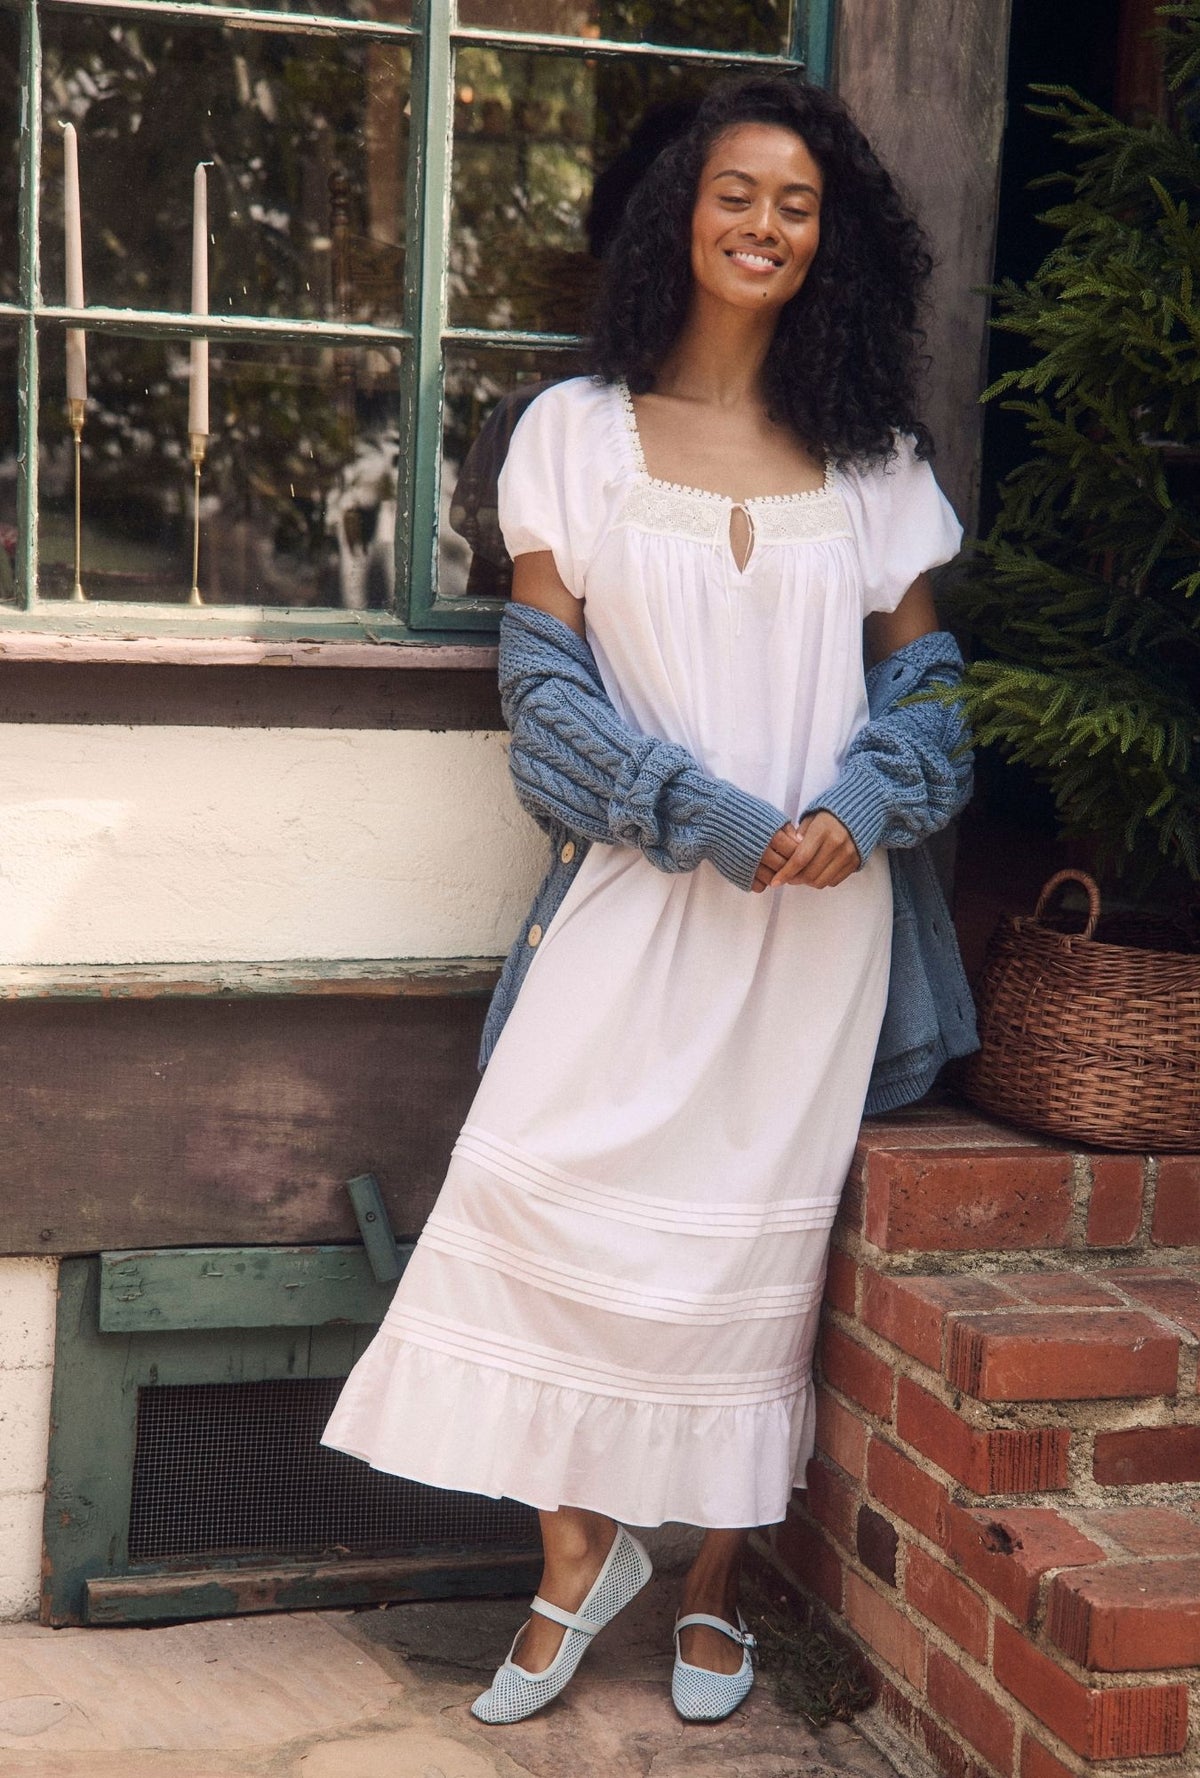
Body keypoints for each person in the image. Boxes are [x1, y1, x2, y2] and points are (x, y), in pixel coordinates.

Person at [323, 72, 977, 1727]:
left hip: (814, 933)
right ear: (682, 213)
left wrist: (858, 805)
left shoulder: (875, 462)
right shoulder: (573, 433)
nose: (765, 224)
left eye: (798, 205)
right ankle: (576, 1555)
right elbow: (544, 703)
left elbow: (931, 697)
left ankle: (710, 1586)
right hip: (636, 899)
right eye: (736, 193)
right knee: (530, 1202)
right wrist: (700, 809)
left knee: (745, 1275)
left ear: (830, 242)